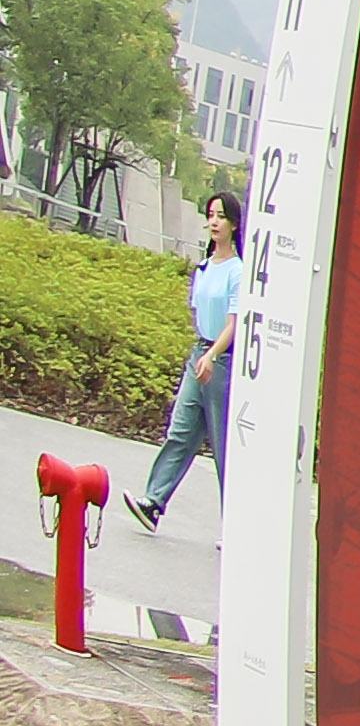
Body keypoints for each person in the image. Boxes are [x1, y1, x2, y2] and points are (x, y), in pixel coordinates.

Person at [132, 189, 242, 532]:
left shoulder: (238, 271)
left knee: (223, 446)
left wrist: (213, 354)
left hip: (221, 361)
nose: (214, 222)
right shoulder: (205, 267)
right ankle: (153, 501)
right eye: (210, 215)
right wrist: (202, 352)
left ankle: (234, 526)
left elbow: (234, 323)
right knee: (180, 431)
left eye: (221, 216)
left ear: (234, 223)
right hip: (200, 354)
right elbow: (199, 313)